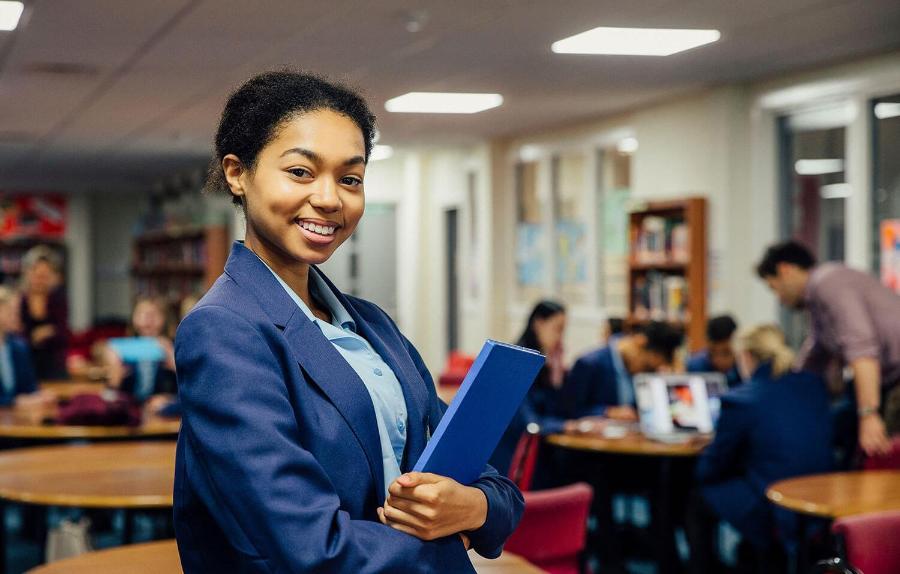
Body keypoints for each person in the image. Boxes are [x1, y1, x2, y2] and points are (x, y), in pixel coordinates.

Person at [174, 71, 523, 573]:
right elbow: (307, 547)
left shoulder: (374, 326)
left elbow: (494, 485)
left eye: (350, 178)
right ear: (237, 173)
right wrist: (452, 540)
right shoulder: (224, 331)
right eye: (300, 172)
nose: (330, 198)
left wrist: (474, 508)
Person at [687, 325, 833, 574]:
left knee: (698, 496)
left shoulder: (740, 400)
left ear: (746, 356)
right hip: (821, 493)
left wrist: (706, 453)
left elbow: (711, 468)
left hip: (775, 502)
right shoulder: (813, 385)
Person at [756, 240, 900, 456]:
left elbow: (862, 350)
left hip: (894, 381)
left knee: (878, 457)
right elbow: (815, 353)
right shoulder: (816, 299)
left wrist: (868, 414)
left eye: (773, 287)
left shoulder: (827, 283)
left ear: (785, 270)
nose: (779, 298)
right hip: (888, 382)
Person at [490, 300, 567, 478]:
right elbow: (529, 422)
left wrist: (558, 377)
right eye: (558, 328)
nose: (560, 337)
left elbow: (555, 411)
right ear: (539, 323)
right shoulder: (518, 363)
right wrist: (566, 426)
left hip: (534, 446)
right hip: (513, 454)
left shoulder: (546, 363)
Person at [561, 321, 683, 421]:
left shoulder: (639, 370)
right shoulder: (589, 364)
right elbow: (571, 411)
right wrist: (607, 412)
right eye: (647, 366)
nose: (647, 373)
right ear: (640, 342)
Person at [104, 297, 177, 412]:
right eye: (141, 314)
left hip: (164, 413)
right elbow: (108, 398)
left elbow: (191, 390)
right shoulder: (121, 350)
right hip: (129, 413)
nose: (147, 321)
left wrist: (175, 363)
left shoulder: (175, 348)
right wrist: (114, 380)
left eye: (153, 315)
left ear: (165, 319)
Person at [19, 245, 69, 379]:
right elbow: (17, 335)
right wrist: (42, 333)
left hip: (54, 365)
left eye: (45, 276)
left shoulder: (57, 299)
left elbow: (63, 334)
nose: (40, 281)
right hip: (26, 364)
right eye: (37, 275)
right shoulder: (20, 300)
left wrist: (38, 335)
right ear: (28, 273)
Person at [0, 286, 38, 405]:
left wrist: (39, 396)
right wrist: (14, 401)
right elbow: (18, 400)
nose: (17, 315)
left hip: (17, 420)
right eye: (11, 310)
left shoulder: (20, 347)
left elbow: (30, 388)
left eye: (17, 311)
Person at [686, 314, 743, 388]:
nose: (719, 360)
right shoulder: (695, 367)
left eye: (726, 352)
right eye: (712, 352)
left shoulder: (746, 368)